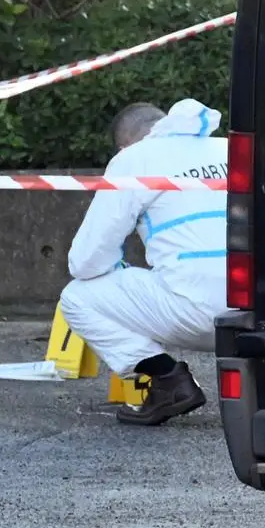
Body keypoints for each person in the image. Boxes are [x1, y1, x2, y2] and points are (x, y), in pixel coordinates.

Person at [59, 98, 229, 426]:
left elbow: (84, 261)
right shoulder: (230, 150)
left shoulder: (133, 160)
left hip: (196, 314)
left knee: (77, 298)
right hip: (258, 313)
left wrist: (118, 269)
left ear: (124, 145)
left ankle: (168, 382)